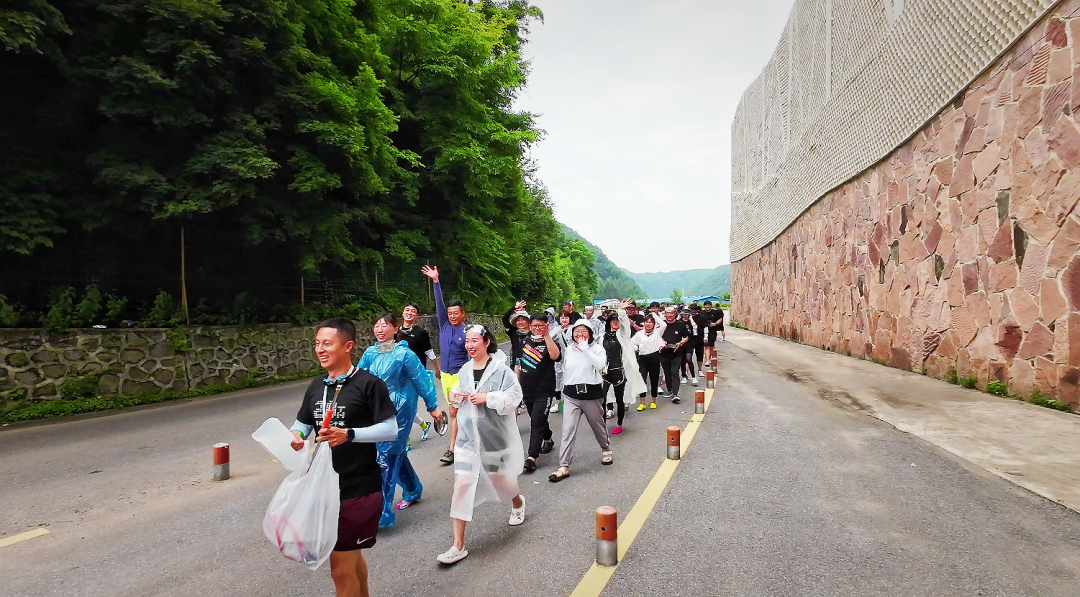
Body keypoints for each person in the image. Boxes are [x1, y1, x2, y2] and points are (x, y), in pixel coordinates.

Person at [288, 318, 398, 597]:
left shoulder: (369, 384)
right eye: (317, 344)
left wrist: (349, 434)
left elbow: (390, 429)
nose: (320, 349)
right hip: (324, 488)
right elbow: (302, 423)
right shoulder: (316, 385)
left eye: (327, 344)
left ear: (348, 346)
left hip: (359, 488)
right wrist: (295, 437)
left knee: (340, 569)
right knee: (351, 559)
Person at [437, 325, 526, 565]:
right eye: (467, 341)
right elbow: (458, 391)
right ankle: (458, 545)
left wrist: (489, 398)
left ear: (486, 342)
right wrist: (457, 397)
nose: (469, 345)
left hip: (493, 438)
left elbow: (515, 397)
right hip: (468, 439)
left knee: (501, 482)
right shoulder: (465, 369)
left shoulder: (501, 370)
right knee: (462, 486)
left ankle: (517, 501)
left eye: (474, 340)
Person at [357, 314, 442, 528]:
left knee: (386, 456)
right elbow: (358, 379)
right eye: (376, 325)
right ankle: (413, 488)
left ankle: (380, 510)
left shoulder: (404, 354)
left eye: (384, 325)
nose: (379, 329)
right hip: (377, 408)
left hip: (400, 408)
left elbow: (421, 380)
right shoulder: (369, 353)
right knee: (394, 452)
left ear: (395, 329)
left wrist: (432, 407)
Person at [549, 320, 612, 482]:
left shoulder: (598, 349)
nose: (580, 334)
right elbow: (551, 341)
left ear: (590, 333)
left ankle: (605, 449)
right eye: (577, 331)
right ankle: (564, 465)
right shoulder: (569, 349)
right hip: (571, 395)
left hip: (592, 395)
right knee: (568, 430)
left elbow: (600, 365)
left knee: (598, 426)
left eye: (584, 331)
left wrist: (585, 350)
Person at [422, 265, 469, 465]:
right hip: (447, 377)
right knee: (455, 412)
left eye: (455, 313)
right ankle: (461, 444)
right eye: (450, 313)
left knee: (455, 412)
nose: (452, 316)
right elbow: (439, 303)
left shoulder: (468, 332)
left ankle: (452, 448)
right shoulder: (444, 325)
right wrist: (436, 281)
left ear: (462, 314)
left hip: (461, 376)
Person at [518, 313, 561, 472]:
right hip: (526, 390)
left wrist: (546, 335)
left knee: (536, 420)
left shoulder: (551, 341)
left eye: (541, 326)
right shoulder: (524, 341)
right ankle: (548, 439)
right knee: (539, 419)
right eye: (534, 326)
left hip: (545, 391)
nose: (537, 328)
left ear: (547, 325)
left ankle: (531, 457)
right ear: (530, 326)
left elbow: (555, 356)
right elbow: (518, 364)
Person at [397, 302, 442, 441]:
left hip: (415, 375)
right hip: (398, 374)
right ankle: (423, 424)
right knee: (399, 404)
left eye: (412, 311)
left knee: (406, 405)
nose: (409, 313)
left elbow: (429, 352)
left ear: (416, 315)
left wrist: (437, 369)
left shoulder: (421, 333)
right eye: (407, 310)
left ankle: (406, 439)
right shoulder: (396, 332)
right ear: (403, 313)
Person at [603, 300, 646, 433]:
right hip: (605, 372)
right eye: (613, 320)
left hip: (619, 372)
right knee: (601, 399)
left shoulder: (623, 335)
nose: (615, 322)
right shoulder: (602, 336)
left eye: (617, 320)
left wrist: (621, 311)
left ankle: (619, 424)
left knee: (619, 399)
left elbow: (626, 324)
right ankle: (602, 423)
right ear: (609, 322)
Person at [631, 314, 664, 410]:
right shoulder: (639, 334)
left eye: (650, 322)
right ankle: (642, 402)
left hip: (655, 358)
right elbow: (631, 342)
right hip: (642, 359)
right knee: (642, 380)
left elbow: (664, 325)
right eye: (646, 322)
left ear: (654, 324)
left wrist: (653, 313)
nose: (648, 324)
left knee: (654, 380)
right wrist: (636, 348)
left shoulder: (657, 332)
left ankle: (654, 401)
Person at [659, 306, 689, 403]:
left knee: (675, 372)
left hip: (677, 352)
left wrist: (680, 343)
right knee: (667, 373)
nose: (669, 315)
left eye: (671, 313)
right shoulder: (661, 324)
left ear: (675, 313)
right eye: (667, 313)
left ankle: (675, 394)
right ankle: (669, 390)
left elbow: (686, 337)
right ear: (664, 314)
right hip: (664, 353)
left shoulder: (680, 324)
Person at [549, 312, 574, 414]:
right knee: (558, 382)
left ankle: (571, 404)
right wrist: (560, 329)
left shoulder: (574, 328)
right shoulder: (556, 329)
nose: (564, 320)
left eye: (566, 318)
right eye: (562, 317)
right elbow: (549, 338)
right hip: (560, 360)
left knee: (571, 381)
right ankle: (558, 403)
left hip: (573, 360)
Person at [502, 300, 531, 368]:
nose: (520, 322)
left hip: (530, 361)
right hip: (516, 361)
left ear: (528, 321)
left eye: (523, 319)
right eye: (518, 320)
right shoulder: (513, 332)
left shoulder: (533, 333)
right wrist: (514, 308)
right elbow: (505, 319)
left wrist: (523, 311)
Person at [679, 309, 701, 387]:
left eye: (686, 314)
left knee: (689, 359)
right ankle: (684, 376)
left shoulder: (692, 323)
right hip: (681, 344)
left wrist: (691, 319)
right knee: (682, 361)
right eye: (683, 314)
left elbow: (695, 329)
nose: (685, 316)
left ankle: (693, 377)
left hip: (690, 344)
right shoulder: (680, 322)